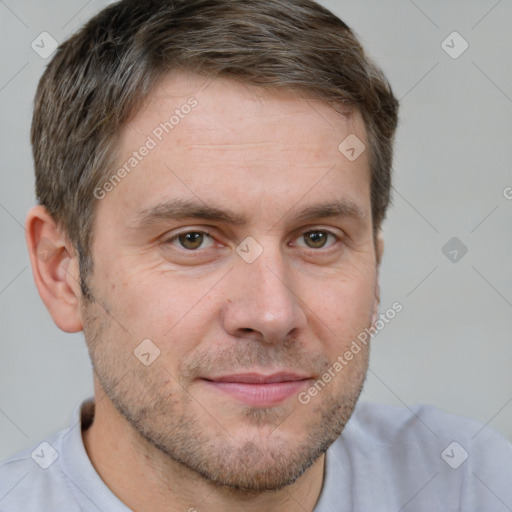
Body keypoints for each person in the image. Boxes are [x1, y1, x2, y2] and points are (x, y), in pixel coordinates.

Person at [1, 0, 511, 510]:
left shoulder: (475, 484)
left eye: (317, 238)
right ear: (62, 272)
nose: (272, 313)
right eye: (192, 239)